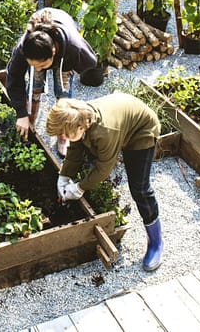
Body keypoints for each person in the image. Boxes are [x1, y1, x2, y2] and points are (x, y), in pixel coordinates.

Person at [45, 93, 163, 271]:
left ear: (81, 127)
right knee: (88, 152)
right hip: (121, 122)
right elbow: (75, 150)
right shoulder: (79, 120)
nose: (64, 137)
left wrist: (80, 187)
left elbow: (103, 169)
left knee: (140, 189)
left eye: (65, 134)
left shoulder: (105, 132)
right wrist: (64, 175)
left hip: (142, 131)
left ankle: (156, 243)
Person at [6, 7, 97, 156]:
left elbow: (91, 62)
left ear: (53, 53)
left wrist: (70, 64)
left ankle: (63, 134)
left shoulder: (74, 47)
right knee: (35, 88)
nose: (38, 69)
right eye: (33, 64)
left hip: (64, 54)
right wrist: (21, 113)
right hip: (43, 36)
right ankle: (29, 122)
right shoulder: (24, 48)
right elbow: (13, 78)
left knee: (63, 94)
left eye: (42, 65)